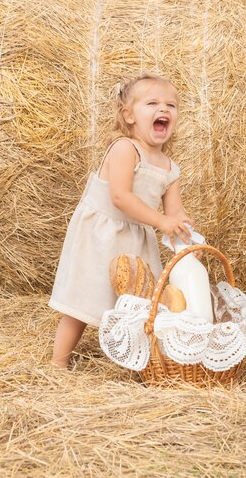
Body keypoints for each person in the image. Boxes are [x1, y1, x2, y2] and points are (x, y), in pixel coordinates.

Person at [49, 73, 196, 368]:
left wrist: (181, 224)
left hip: (136, 241)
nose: (163, 109)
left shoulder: (171, 168)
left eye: (171, 105)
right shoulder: (125, 148)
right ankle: (58, 364)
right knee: (84, 299)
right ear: (128, 115)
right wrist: (160, 221)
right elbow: (120, 197)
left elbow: (174, 211)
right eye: (152, 103)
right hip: (102, 234)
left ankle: (135, 360)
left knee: (139, 303)